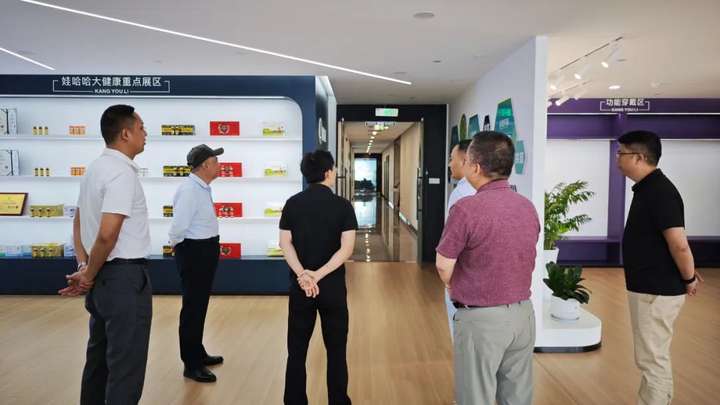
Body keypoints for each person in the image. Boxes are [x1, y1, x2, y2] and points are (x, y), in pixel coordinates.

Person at [435, 131, 539, 405]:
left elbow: (443, 264)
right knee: (517, 396)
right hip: (523, 315)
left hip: (482, 321)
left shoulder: (466, 209)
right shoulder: (527, 207)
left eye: (467, 160)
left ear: (476, 167)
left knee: (476, 396)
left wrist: (451, 285)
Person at [60, 104, 152, 405]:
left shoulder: (95, 169)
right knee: (126, 367)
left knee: (98, 362)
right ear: (125, 134)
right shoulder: (120, 173)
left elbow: (78, 222)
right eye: (141, 128)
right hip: (123, 279)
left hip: (102, 278)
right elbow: (107, 233)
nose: (145, 133)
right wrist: (88, 273)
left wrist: (85, 265)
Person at [617, 130, 702, 405]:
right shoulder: (648, 189)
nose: (617, 159)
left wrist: (689, 278)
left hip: (656, 291)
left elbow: (679, 244)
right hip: (648, 287)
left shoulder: (660, 192)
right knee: (650, 357)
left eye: (621, 153)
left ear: (639, 157)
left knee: (652, 360)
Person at [279, 150, 358, 405]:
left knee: (296, 351)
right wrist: (318, 275)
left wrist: (303, 275)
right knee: (336, 351)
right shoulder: (343, 206)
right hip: (332, 288)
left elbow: (285, 243)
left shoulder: (292, 203)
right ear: (328, 173)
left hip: (301, 288)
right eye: (333, 169)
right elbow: (346, 248)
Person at [168, 144, 225, 383]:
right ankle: (191, 364)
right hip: (194, 252)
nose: (220, 165)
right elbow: (178, 227)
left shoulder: (201, 187)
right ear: (205, 165)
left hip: (204, 249)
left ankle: (197, 352)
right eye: (216, 161)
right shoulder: (190, 190)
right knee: (193, 307)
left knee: (199, 305)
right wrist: (179, 248)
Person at [444, 139, 475, 338]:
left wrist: (449, 281)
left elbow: (452, 243)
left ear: (464, 161)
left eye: (451, 158)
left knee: (461, 334)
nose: (449, 164)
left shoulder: (461, 193)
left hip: (463, 277)